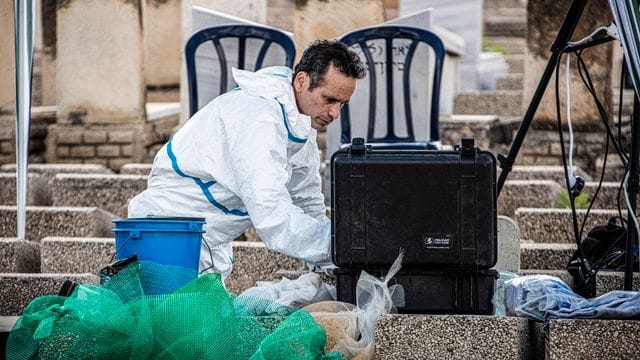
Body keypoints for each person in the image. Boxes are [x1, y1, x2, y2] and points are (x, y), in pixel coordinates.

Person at [128, 40, 366, 278]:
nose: (335, 113)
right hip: (165, 235)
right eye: (329, 99)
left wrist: (330, 262)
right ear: (302, 81)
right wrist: (344, 247)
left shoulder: (300, 126)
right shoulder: (257, 118)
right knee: (169, 313)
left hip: (207, 242)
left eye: (342, 104)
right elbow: (272, 214)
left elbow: (306, 201)